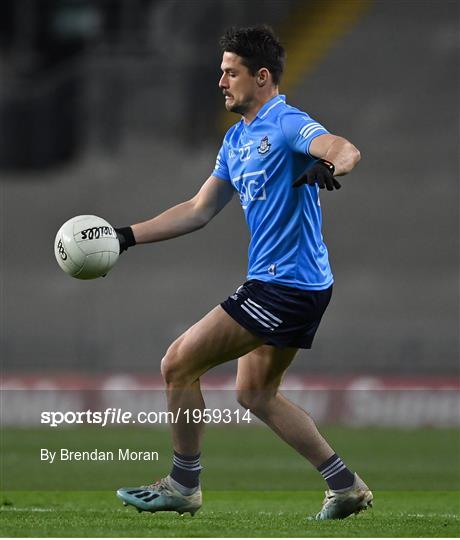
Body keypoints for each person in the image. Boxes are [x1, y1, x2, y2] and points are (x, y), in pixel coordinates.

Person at [115, 25, 373, 521]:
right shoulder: (235, 139)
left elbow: (344, 149)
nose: (221, 82)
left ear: (261, 77)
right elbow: (197, 209)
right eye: (220, 72)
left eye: (230, 73)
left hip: (283, 284)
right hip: (299, 284)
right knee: (255, 393)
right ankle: (345, 486)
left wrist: (330, 167)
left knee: (177, 365)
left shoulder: (286, 122)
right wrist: (126, 236)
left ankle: (182, 484)